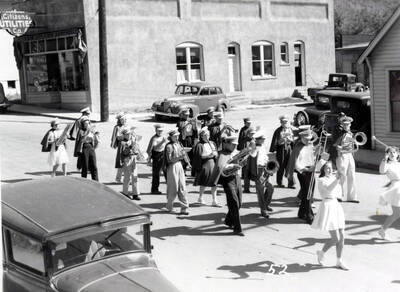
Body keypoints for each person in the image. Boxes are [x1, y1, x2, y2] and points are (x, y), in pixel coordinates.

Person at [312, 160, 348, 270]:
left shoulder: (334, 178)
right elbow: (328, 190)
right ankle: (321, 252)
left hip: (336, 205)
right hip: (327, 206)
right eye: (327, 168)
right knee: (335, 238)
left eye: (331, 167)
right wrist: (337, 179)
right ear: (323, 170)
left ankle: (339, 260)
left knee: (342, 236)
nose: (330, 170)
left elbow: (340, 189)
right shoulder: (321, 180)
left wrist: (342, 175)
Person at [215, 135, 244, 236]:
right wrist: (233, 165)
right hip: (227, 179)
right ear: (227, 143)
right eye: (233, 145)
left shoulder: (234, 153)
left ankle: (228, 220)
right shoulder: (222, 153)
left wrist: (241, 163)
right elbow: (221, 167)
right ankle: (238, 228)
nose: (234, 147)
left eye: (235, 145)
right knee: (234, 203)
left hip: (236, 177)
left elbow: (238, 163)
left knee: (239, 203)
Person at [287, 129, 316, 224]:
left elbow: (312, 157)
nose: (309, 140)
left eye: (309, 138)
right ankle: (309, 215)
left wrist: (317, 153)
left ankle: (301, 213)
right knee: (307, 194)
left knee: (307, 193)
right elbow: (296, 164)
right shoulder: (297, 148)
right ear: (302, 138)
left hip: (311, 171)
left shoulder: (310, 145)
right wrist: (307, 170)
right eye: (306, 139)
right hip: (303, 172)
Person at [247, 131, 274, 218]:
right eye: (262, 139)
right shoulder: (254, 147)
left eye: (264, 139)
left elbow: (266, 157)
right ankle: (263, 210)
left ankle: (266, 204)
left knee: (270, 187)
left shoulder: (263, 147)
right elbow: (252, 154)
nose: (264, 140)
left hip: (265, 169)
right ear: (258, 140)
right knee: (260, 191)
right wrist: (253, 146)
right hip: (258, 170)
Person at [192, 128, 221, 207]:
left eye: (208, 135)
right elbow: (198, 156)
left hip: (213, 164)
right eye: (205, 135)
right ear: (201, 136)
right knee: (204, 183)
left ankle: (214, 200)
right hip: (205, 165)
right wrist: (208, 156)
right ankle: (200, 197)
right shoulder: (199, 145)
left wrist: (216, 155)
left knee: (214, 183)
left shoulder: (212, 143)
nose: (207, 136)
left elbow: (216, 152)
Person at [164, 129, 190, 215]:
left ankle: (184, 208)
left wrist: (188, 162)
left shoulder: (179, 144)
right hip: (172, 166)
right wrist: (179, 157)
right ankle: (169, 206)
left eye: (177, 136)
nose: (177, 137)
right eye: (175, 136)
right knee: (173, 188)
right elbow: (169, 160)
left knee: (182, 187)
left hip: (179, 166)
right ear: (171, 137)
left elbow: (183, 154)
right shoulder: (169, 146)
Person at [377, 146, 400, 240]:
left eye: (394, 152)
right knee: (396, 214)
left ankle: (382, 230)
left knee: (396, 214)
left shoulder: (399, 164)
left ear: (398, 154)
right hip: (396, 189)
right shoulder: (387, 164)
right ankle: (382, 230)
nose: (392, 154)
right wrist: (384, 159)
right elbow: (381, 171)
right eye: (389, 153)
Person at [334, 116, 358, 203]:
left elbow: (351, 145)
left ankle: (352, 197)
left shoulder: (350, 133)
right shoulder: (338, 133)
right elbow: (334, 143)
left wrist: (354, 145)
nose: (346, 126)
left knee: (352, 175)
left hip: (349, 155)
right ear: (341, 124)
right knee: (342, 175)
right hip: (341, 155)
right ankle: (338, 195)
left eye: (347, 124)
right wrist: (338, 146)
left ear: (350, 125)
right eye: (344, 124)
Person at [270, 114, 295, 188]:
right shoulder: (278, 131)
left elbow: (293, 140)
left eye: (286, 122)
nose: (285, 123)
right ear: (281, 122)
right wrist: (281, 140)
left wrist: (290, 140)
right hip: (281, 150)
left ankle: (291, 183)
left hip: (289, 148)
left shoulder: (290, 129)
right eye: (283, 122)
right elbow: (275, 142)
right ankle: (279, 183)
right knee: (280, 166)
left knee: (289, 166)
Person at [75, 116, 99, 181]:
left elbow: (96, 139)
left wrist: (96, 134)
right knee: (85, 166)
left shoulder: (92, 129)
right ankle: (84, 181)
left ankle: (96, 181)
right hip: (84, 147)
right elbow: (81, 139)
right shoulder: (81, 131)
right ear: (82, 124)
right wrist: (88, 131)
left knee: (94, 165)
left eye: (88, 123)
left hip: (91, 147)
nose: (87, 125)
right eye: (85, 123)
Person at [120, 127, 140, 200]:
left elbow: (136, 149)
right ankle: (125, 193)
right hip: (127, 159)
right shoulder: (122, 142)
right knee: (127, 177)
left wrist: (135, 146)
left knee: (135, 176)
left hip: (133, 158)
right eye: (127, 134)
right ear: (124, 135)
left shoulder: (132, 140)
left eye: (129, 134)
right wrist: (130, 146)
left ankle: (136, 193)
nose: (129, 135)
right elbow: (124, 152)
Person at [146, 124, 168, 194]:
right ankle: (154, 189)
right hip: (157, 156)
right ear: (156, 131)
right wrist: (162, 142)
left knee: (167, 172)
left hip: (163, 155)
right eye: (158, 131)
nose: (160, 132)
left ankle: (171, 188)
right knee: (156, 174)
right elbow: (154, 147)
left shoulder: (164, 137)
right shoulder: (154, 138)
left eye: (161, 131)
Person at [177, 108, 198, 175]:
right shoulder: (180, 121)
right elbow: (180, 128)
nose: (187, 116)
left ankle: (193, 171)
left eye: (188, 115)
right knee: (184, 155)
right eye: (185, 115)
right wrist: (187, 123)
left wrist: (194, 124)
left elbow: (195, 130)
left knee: (192, 154)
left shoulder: (190, 120)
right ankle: (183, 170)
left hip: (190, 139)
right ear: (182, 115)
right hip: (183, 140)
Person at [110, 112, 127, 183]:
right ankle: (118, 179)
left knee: (127, 162)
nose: (124, 120)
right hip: (121, 145)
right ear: (119, 120)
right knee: (121, 162)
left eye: (125, 119)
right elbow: (115, 137)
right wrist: (123, 137)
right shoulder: (117, 127)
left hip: (127, 145)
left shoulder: (127, 126)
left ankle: (127, 178)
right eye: (123, 119)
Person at [242, 126, 257, 193]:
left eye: (253, 133)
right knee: (246, 174)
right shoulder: (245, 140)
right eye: (251, 133)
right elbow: (244, 150)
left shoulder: (255, 140)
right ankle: (246, 189)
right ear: (248, 134)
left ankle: (258, 188)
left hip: (253, 159)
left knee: (256, 173)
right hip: (246, 159)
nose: (252, 135)